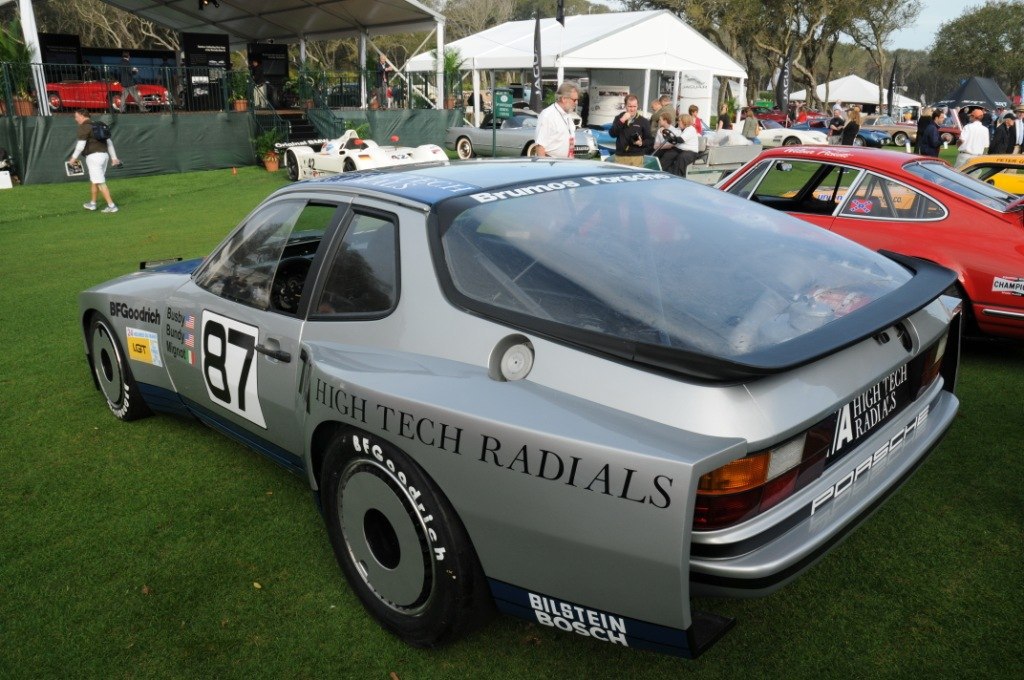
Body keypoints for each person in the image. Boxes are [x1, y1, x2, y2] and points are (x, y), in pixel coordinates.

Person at [68, 109, 121, 213]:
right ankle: (93, 203)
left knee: (100, 182)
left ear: (82, 116)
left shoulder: (84, 127)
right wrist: (114, 158)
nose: (76, 119)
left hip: (94, 158)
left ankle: (112, 206)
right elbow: (109, 143)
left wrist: (73, 158)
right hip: (104, 156)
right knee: (95, 180)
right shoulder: (99, 125)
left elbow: (80, 146)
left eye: (77, 116)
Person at [534, 81, 579, 158]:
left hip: (566, 163)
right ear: (564, 99)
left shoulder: (568, 116)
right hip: (551, 164)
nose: (576, 103)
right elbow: (540, 146)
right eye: (574, 100)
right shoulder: (548, 115)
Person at [610, 94, 653, 166]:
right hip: (621, 156)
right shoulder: (618, 118)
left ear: (637, 106)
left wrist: (641, 143)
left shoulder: (643, 121)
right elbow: (612, 134)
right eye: (630, 106)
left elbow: (650, 140)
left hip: (636, 156)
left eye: (634, 106)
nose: (632, 109)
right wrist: (622, 120)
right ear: (625, 106)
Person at [652, 109, 684, 176]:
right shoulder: (659, 131)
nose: (659, 121)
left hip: (669, 150)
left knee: (667, 155)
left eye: (660, 120)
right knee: (653, 154)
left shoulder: (674, 131)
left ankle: (660, 173)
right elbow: (655, 146)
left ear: (665, 120)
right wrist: (661, 146)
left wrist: (661, 146)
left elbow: (672, 145)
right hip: (660, 149)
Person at [673, 113, 701, 177]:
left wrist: (672, 138)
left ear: (684, 121)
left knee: (682, 157)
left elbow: (681, 140)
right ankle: (663, 170)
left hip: (691, 152)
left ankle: (678, 176)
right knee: (669, 154)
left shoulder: (690, 129)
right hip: (681, 149)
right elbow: (673, 132)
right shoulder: (679, 129)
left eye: (679, 121)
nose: (678, 122)